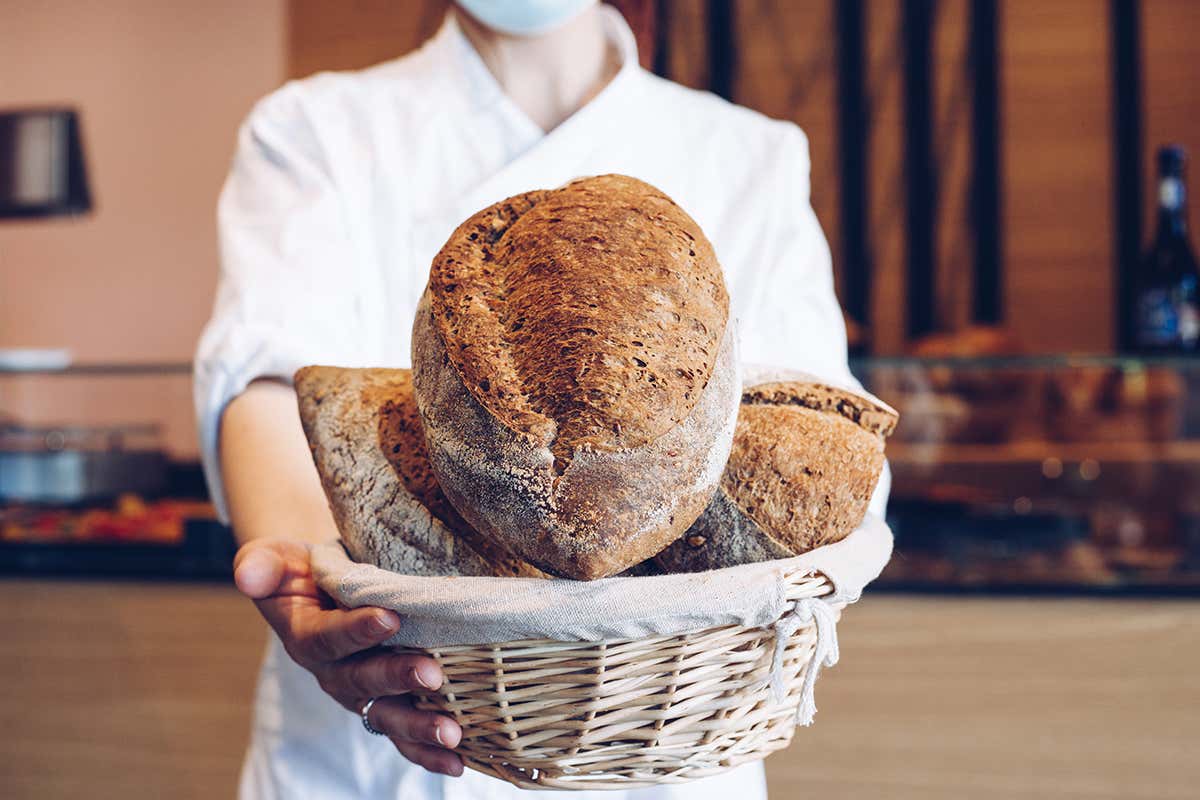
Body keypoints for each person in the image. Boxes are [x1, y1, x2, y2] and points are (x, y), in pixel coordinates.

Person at [195, 1, 886, 797]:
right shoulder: (315, 127)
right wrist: (311, 585)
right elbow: (271, 379)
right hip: (371, 745)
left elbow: (816, 448)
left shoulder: (749, 154)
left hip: (665, 745)